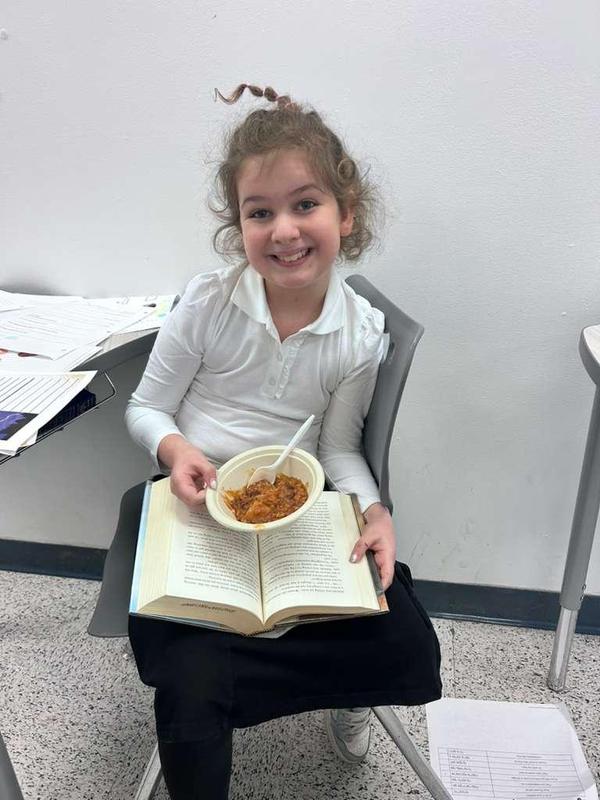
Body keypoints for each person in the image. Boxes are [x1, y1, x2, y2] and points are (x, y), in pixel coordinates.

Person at [123, 83, 442, 799]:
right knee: (189, 684)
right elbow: (147, 408)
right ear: (238, 227)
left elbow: (337, 454)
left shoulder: (359, 334)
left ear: (345, 213)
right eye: (260, 212)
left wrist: (373, 509)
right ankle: (219, 689)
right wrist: (177, 452)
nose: (285, 230)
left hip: (298, 514)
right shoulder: (207, 303)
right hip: (198, 509)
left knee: (410, 643)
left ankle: (289, 684)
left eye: (306, 204)